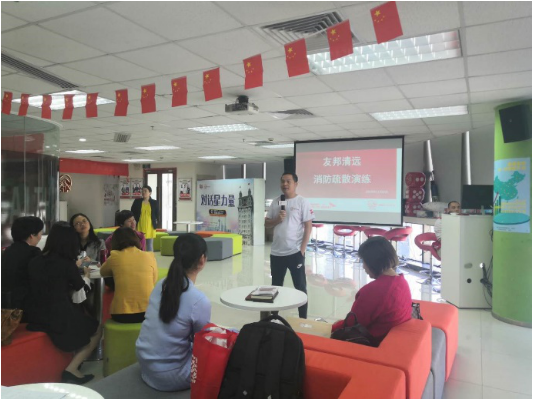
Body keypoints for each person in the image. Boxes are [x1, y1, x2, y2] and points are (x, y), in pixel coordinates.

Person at [25, 222, 102, 384]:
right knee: (96, 329)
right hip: (59, 316)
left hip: (35, 315)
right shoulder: (67, 264)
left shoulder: (35, 261)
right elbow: (81, 288)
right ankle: (72, 369)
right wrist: (86, 275)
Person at [136, 234, 211, 391]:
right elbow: (201, 342)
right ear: (202, 260)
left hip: (145, 366)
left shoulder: (161, 285)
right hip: (171, 376)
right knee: (221, 352)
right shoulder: (199, 300)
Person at [331, 236, 412, 346]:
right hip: (392, 339)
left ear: (373, 262)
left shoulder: (373, 291)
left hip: (372, 343)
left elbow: (351, 324)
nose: (363, 267)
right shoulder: (402, 281)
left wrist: (333, 327)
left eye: (364, 261)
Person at [265, 172, 314, 319]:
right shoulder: (276, 202)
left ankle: (303, 319)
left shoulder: (302, 202)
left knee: (300, 287)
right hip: (276, 253)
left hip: (294, 253)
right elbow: (266, 223)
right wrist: (277, 220)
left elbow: (308, 226)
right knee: (275, 287)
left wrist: (302, 250)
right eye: (282, 181)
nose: (285, 184)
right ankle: (274, 317)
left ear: (295, 184)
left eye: (288, 181)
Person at [100, 227, 158, 323]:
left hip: (122, 314)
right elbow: (154, 280)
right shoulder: (149, 256)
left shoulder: (115, 256)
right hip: (149, 312)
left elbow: (102, 272)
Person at [1, 216, 44, 311]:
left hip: (6, 305)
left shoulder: (7, 251)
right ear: (32, 235)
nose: (41, 236)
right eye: (40, 232)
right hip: (25, 306)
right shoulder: (33, 252)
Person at [131, 185, 159, 252]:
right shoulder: (137, 201)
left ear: (150, 193)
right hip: (139, 225)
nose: (143, 192)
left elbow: (157, 213)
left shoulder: (154, 202)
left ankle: (149, 257)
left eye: (145, 191)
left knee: (149, 244)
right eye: (142, 191)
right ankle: (140, 257)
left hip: (150, 226)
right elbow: (132, 212)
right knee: (139, 244)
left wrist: (157, 221)